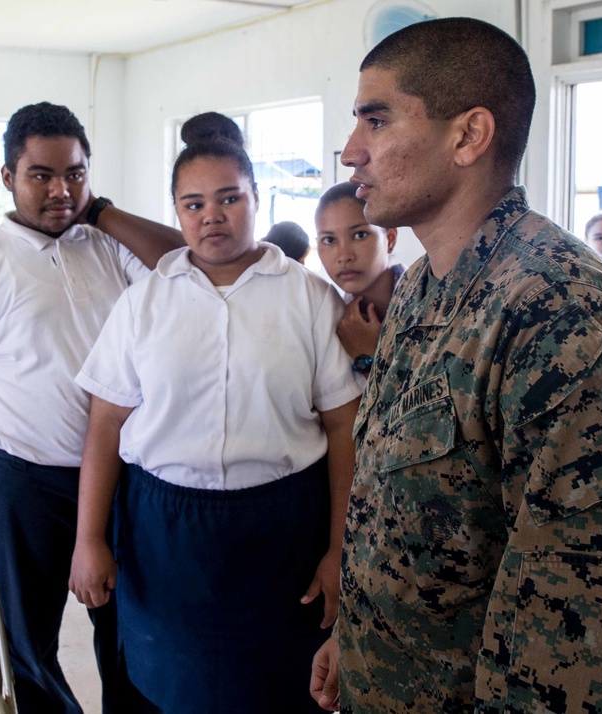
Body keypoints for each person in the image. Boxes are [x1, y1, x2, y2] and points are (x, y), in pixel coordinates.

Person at [310, 17, 602, 714]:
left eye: (376, 120)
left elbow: (575, 652)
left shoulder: (564, 320)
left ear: (468, 135)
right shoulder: (425, 286)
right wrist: (356, 636)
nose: (349, 152)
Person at [70, 115, 362, 713]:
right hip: (165, 531)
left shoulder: (308, 298)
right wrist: (89, 539)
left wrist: (339, 551)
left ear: (257, 200)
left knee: (279, 689)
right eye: (193, 203)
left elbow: (342, 429)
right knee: (167, 685)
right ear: (176, 212)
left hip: (282, 530)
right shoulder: (144, 301)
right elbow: (104, 424)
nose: (213, 216)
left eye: (230, 198)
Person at [0, 101, 183, 714]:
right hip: (19, 476)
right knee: (30, 639)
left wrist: (103, 212)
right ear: (8, 177)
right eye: (41, 174)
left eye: (75, 172)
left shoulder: (107, 247)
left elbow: (183, 260)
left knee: (126, 626)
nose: (60, 189)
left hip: (117, 473)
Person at [315, 181, 404, 376]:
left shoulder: (428, 305)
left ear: (390, 240)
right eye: (329, 240)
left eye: (360, 235)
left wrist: (368, 356)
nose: (344, 255)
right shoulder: (331, 317)